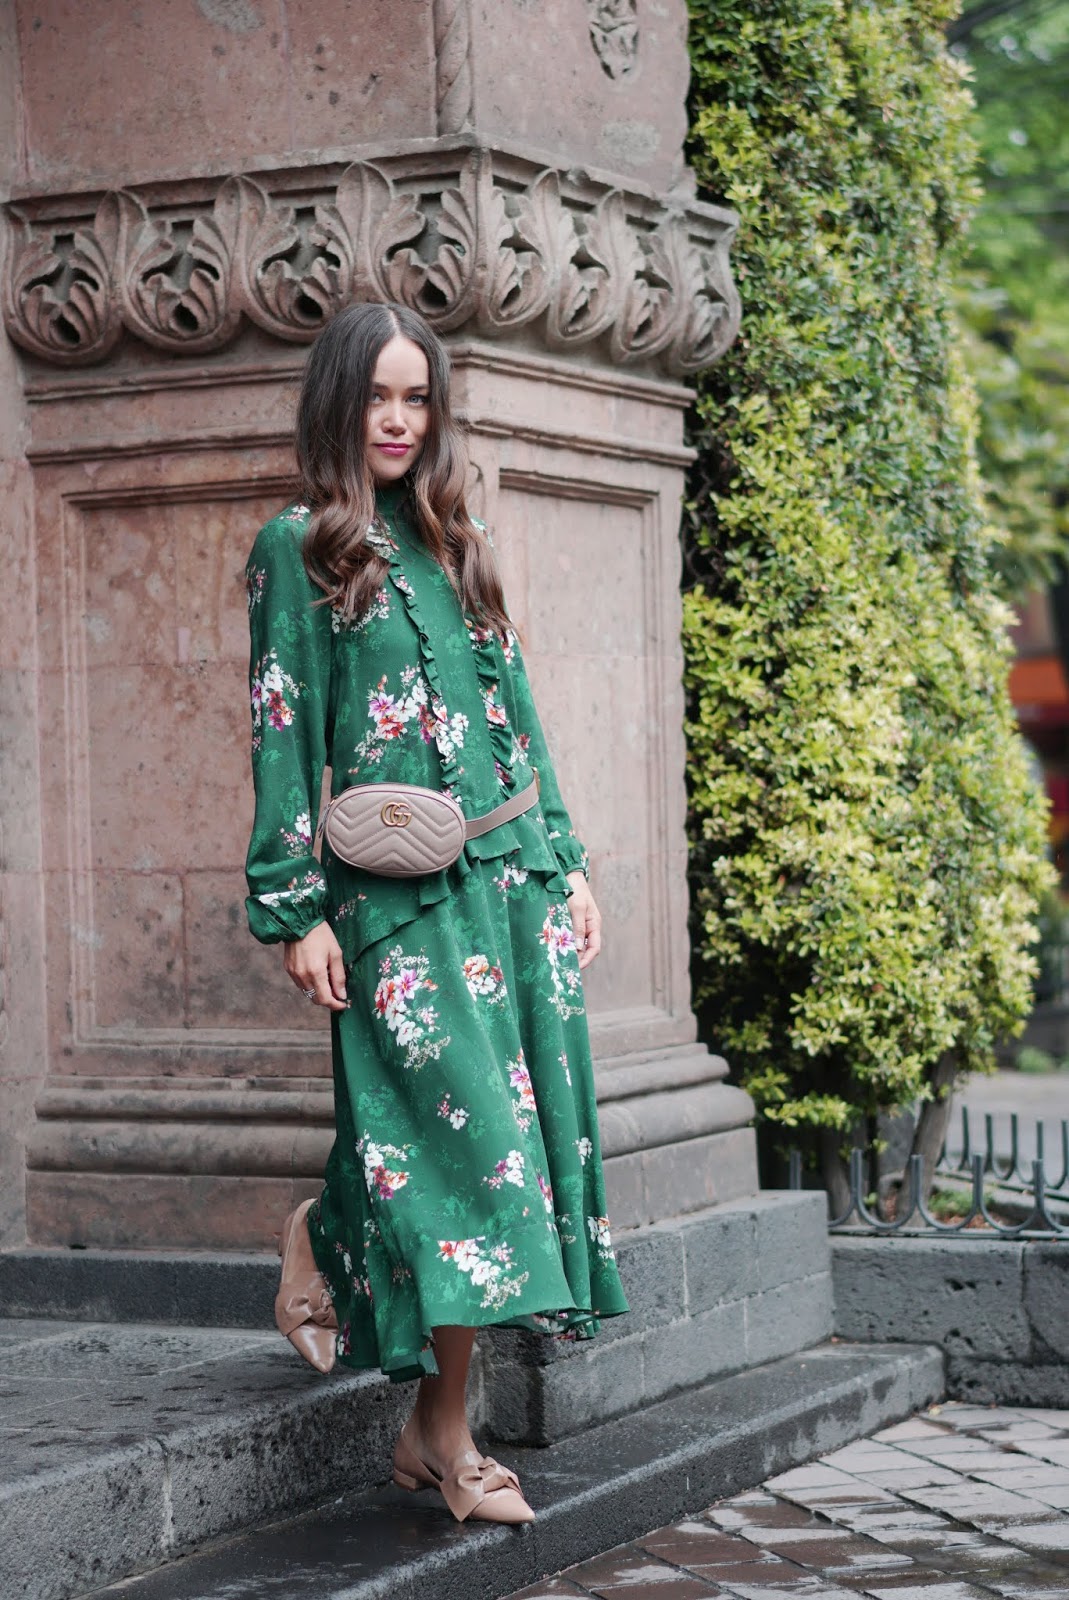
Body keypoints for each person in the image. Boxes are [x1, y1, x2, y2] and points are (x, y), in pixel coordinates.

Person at [243, 301, 629, 1526]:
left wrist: (567, 861)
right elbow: (280, 730)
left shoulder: (457, 536)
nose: (399, 420)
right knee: (474, 1163)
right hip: (394, 904)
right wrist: (294, 910)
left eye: (417, 398)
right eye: (377, 396)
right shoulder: (298, 546)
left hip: (510, 884)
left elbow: (518, 711)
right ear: (338, 403)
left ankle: (346, 1270)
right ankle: (451, 1437)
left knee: (497, 1155)